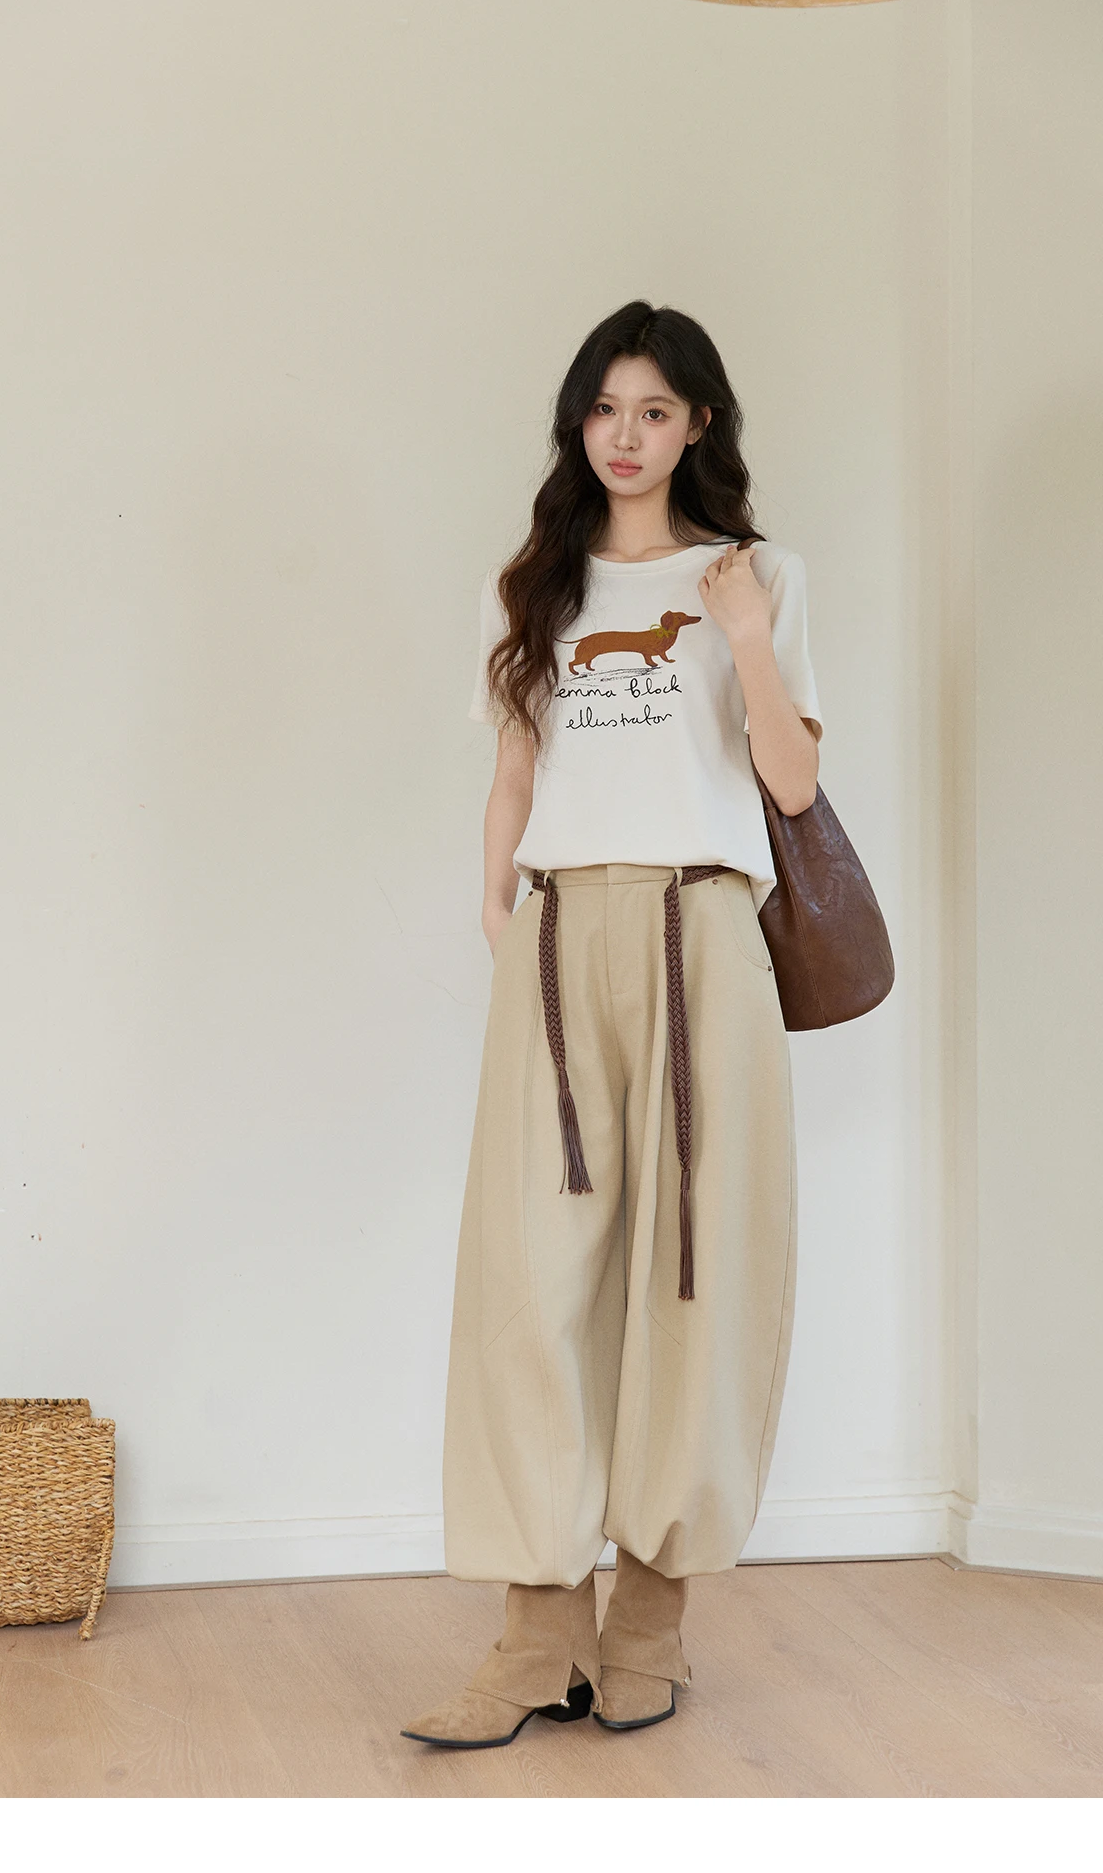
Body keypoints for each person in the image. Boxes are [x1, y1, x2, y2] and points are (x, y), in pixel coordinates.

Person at [401, 300, 823, 1749]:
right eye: (604, 408)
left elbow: (790, 781)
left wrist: (746, 635)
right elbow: (516, 772)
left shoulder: (757, 577)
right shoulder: (534, 585)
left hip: (704, 931)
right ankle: (536, 1640)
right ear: (577, 423)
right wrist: (496, 906)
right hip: (559, 934)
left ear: (699, 421)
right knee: (528, 1281)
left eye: (654, 409)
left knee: (696, 1274)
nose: (626, 435)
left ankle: (649, 1623)